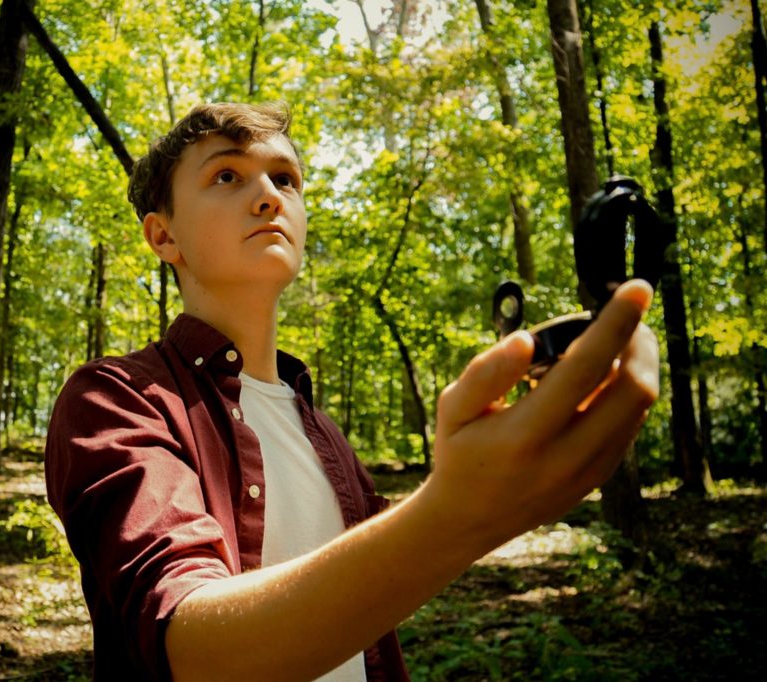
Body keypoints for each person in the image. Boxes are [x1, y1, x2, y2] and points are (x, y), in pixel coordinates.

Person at [44, 102, 659, 681]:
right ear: (163, 237)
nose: (267, 196)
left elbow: (379, 589)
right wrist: (456, 514)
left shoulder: (323, 431)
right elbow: (189, 643)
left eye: (286, 180)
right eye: (228, 176)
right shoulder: (116, 400)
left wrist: (493, 476)